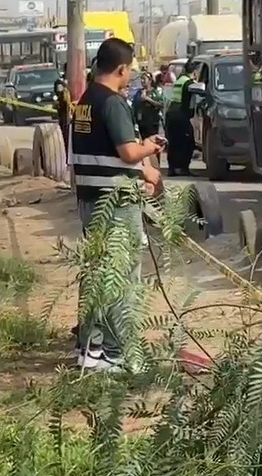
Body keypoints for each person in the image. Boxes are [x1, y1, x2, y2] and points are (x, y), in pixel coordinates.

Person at [68, 38, 165, 370]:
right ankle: (118, 352)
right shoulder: (113, 103)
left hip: (90, 200)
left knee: (96, 271)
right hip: (115, 204)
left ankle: (89, 348)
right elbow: (126, 152)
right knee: (121, 276)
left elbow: (100, 156)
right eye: (130, 71)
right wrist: (149, 147)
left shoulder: (84, 102)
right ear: (122, 69)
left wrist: (144, 173)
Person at [164, 64, 195, 176]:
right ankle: (183, 168)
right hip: (180, 115)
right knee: (188, 142)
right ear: (194, 72)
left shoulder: (179, 80)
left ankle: (172, 169)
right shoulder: (188, 83)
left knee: (173, 142)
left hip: (171, 113)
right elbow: (188, 101)